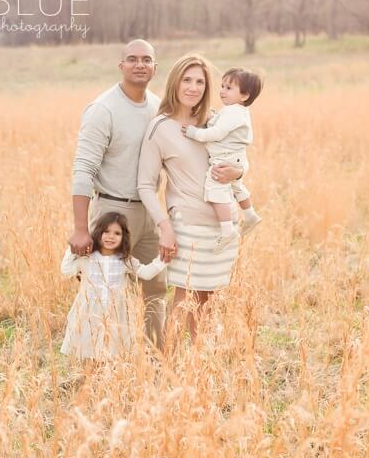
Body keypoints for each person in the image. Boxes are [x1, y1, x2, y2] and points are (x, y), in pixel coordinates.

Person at [137, 54, 243, 342]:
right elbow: (145, 185)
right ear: (175, 83)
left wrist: (239, 171)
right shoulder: (160, 127)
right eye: (187, 80)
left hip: (221, 223)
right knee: (183, 299)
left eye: (200, 81)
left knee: (207, 298)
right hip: (187, 222)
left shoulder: (213, 122)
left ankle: (197, 365)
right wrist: (165, 226)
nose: (193, 87)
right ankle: (168, 366)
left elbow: (237, 158)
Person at [68, 39, 166, 346]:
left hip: (149, 211)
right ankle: (100, 365)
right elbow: (83, 169)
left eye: (146, 60)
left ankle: (154, 359)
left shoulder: (158, 107)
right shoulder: (103, 109)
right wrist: (81, 229)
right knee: (104, 293)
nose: (140, 64)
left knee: (154, 288)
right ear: (121, 65)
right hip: (112, 211)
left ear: (154, 67)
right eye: (132, 59)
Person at [60, 212, 166, 361]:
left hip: (116, 315)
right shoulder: (87, 259)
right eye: (106, 231)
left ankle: (109, 380)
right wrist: (72, 250)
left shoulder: (125, 260)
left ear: (124, 237)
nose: (111, 236)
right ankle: (89, 379)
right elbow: (66, 271)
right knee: (89, 353)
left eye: (117, 233)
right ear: (98, 233)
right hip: (89, 314)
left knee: (112, 354)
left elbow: (146, 273)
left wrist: (163, 259)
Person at [183, 67, 263, 252]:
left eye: (228, 88)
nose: (222, 91)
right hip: (235, 158)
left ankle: (227, 231)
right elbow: (219, 121)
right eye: (222, 86)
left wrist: (193, 132)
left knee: (215, 186)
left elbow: (216, 133)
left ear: (244, 95)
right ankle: (250, 214)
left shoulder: (233, 112)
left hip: (225, 159)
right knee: (236, 186)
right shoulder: (235, 111)